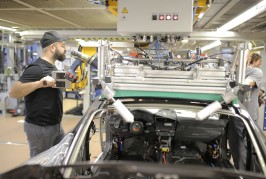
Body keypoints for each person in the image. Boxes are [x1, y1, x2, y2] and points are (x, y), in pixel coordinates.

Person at [9, 31, 67, 157]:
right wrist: (39, 84)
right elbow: (13, 92)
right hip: (40, 128)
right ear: (52, 47)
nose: (65, 49)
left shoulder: (52, 67)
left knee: (62, 156)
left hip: (55, 125)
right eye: (62, 45)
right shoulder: (36, 68)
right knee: (39, 165)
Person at [238, 53, 263, 122]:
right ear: (254, 61)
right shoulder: (258, 71)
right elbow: (246, 86)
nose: (260, 63)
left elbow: (247, 85)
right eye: (259, 61)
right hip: (248, 109)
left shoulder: (240, 73)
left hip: (243, 109)